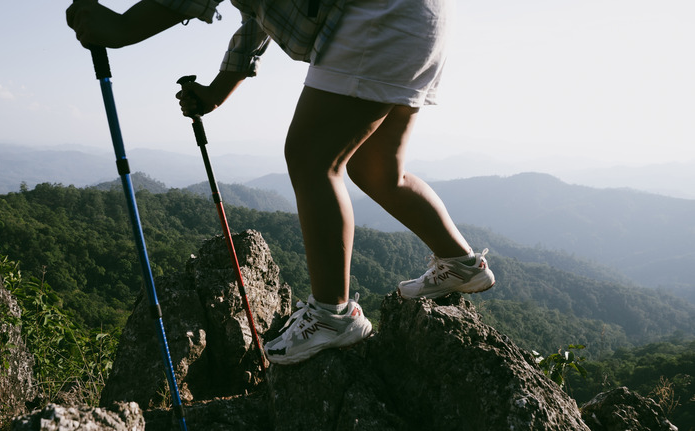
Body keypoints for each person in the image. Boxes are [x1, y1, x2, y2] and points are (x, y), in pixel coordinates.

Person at [67, 0, 495, 366]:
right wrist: (216, 91)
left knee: (312, 160)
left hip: (379, 16)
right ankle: (460, 263)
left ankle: (333, 315)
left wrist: (122, 27)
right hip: (420, 19)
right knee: (378, 170)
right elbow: (257, 20)